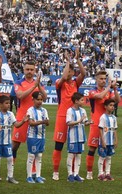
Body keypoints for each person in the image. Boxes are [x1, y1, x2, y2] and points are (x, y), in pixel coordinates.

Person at [51, 49, 86, 181]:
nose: (70, 73)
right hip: (62, 116)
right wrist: (67, 62)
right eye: (68, 70)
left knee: (74, 147)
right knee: (59, 145)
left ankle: (73, 173)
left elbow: (84, 73)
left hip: (75, 117)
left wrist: (77, 60)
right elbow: (64, 77)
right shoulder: (59, 83)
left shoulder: (76, 83)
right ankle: (55, 172)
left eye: (71, 71)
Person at [12, 61, 47, 178]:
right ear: (24, 70)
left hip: (35, 118)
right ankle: (10, 169)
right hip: (22, 118)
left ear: (35, 71)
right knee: (15, 146)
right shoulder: (18, 83)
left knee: (35, 146)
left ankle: (34, 172)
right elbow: (20, 95)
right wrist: (34, 86)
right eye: (27, 69)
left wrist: (38, 86)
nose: (29, 72)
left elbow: (45, 97)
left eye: (32, 70)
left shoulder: (38, 84)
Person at [85, 70, 120, 180]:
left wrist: (114, 88)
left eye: (105, 79)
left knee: (106, 149)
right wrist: (109, 86)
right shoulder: (92, 92)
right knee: (92, 148)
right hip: (96, 123)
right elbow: (100, 97)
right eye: (101, 79)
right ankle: (89, 172)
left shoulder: (109, 91)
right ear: (96, 79)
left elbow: (117, 100)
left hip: (107, 125)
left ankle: (105, 173)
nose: (103, 81)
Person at [0, 95, 28, 184]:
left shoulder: (10, 114)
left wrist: (23, 121)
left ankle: (10, 177)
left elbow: (16, 125)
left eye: (9, 103)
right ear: (0, 105)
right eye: (6, 103)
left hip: (7, 142)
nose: (8, 105)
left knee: (10, 158)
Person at [66, 92, 91, 183]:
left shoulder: (83, 111)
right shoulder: (69, 111)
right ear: (76, 101)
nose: (83, 101)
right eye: (81, 100)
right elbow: (68, 123)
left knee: (79, 155)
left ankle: (76, 174)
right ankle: (70, 174)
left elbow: (85, 122)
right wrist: (79, 120)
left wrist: (89, 122)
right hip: (72, 137)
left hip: (81, 136)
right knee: (71, 155)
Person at [26, 91, 49, 184]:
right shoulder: (30, 110)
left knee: (39, 156)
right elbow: (31, 123)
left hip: (42, 136)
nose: (39, 101)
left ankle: (38, 176)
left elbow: (47, 122)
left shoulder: (44, 110)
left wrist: (45, 122)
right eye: (38, 99)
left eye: (41, 100)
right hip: (32, 136)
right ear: (33, 99)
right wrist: (42, 122)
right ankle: (29, 176)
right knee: (31, 156)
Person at [97, 98, 118, 181]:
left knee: (109, 157)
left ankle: (107, 173)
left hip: (111, 142)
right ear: (105, 106)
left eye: (113, 105)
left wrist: (116, 140)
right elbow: (100, 129)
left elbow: (115, 129)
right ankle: (100, 173)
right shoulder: (103, 117)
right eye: (110, 105)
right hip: (104, 141)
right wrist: (102, 141)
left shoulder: (114, 117)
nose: (112, 107)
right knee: (102, 157)